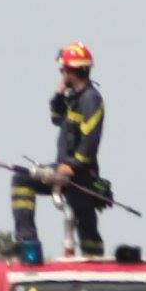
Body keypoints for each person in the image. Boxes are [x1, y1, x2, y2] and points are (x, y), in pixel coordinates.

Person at [11, 42, 110, 258]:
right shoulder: (73, 97)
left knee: (86, 223)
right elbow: (57, 119)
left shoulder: (91, 99)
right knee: (22, 179)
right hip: (66, 170)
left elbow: (90, 141)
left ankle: (97, 264)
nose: (61, 74)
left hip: (81, 175)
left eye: (62, 70)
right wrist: (58, 95)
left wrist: (72, 168)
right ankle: (26, 241)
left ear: (70, 70)